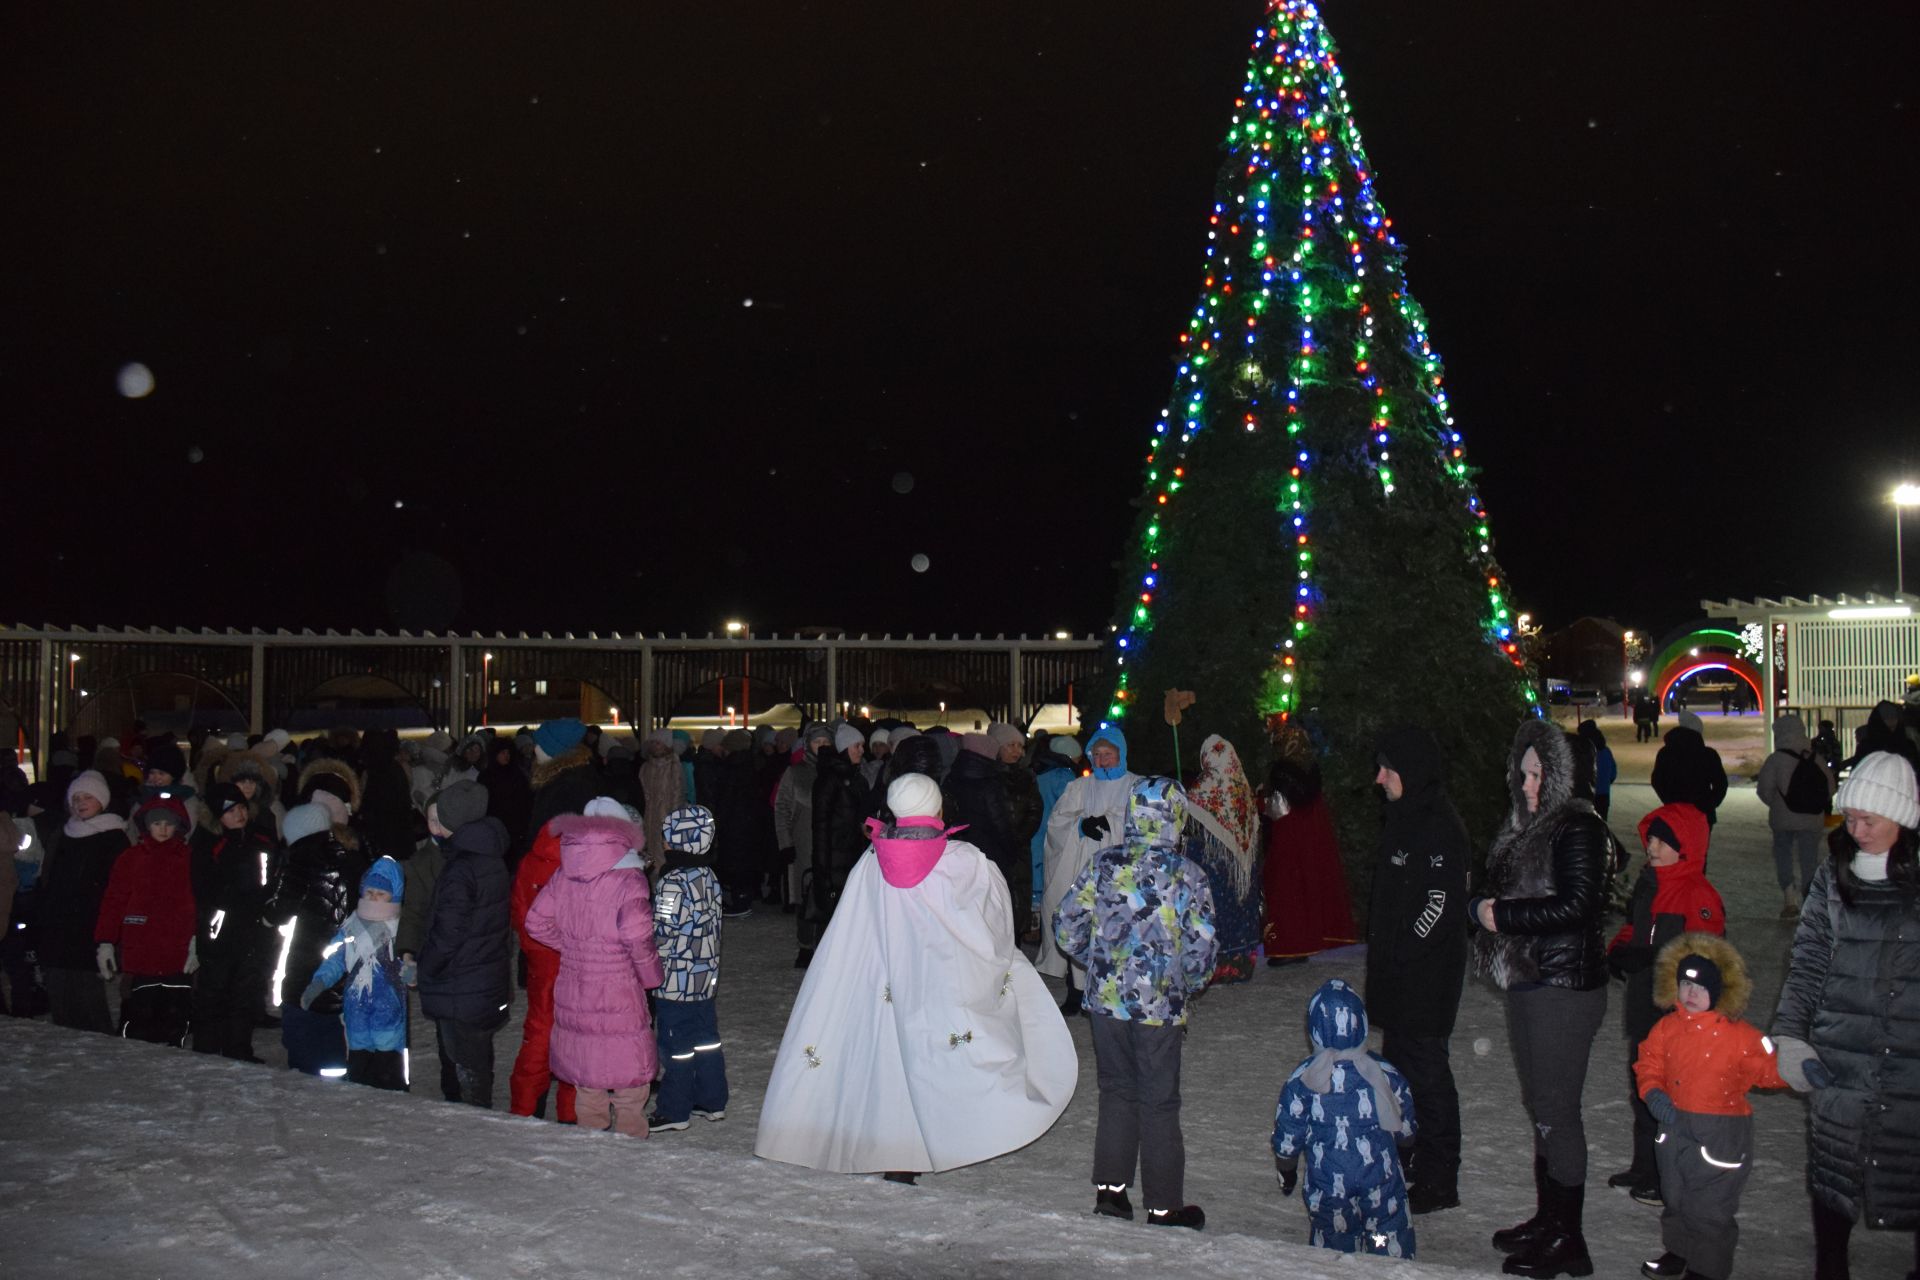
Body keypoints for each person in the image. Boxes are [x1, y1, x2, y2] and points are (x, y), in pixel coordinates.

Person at [756, 773, 1076, 1178]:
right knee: (930, 1053)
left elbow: (851, 925)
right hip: (937, 977)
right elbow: (995, 921)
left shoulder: (871, 860)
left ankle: (890, 1146)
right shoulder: (964, 861)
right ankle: (941, 1134)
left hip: (881, 979)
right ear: (937, 806)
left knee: (887, 1053)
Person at [1470, 718, 1612, 1279]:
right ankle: (1549, 1219)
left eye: (1539, 775)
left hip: (1564, 987)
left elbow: (1579, 906)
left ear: (1563, 777)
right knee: (1543, 1110)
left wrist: (1501, 916)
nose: (1527, 786)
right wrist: (1483, 905)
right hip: (1531, 981)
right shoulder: (1526, 827)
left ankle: (1568, 1239)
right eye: (1523, 774)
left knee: (1558, 1113)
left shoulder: (1578, 826)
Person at [1771, 751, 1920, 1280]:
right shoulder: (1832, 877)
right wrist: (1790, 1036)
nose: (1856, 830)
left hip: (1910, 1064)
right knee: (1834, 1178)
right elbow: (1808, 960)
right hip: (1840, 1057)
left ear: (1901, 819)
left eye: (1869, 821)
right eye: (1850, 817)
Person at [1054, 776, 1214, 1228]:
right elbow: (1201, 948)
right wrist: (1185, 982)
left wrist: (1097, 961)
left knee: (1117, 1090)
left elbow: (1066, 922)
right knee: (1159, 1100)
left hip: (1106, 1004)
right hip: (1158, 1007)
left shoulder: (1105, 864)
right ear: (1177, 817)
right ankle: (1164, 1206)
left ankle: (1111, 1192)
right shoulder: (1187, 874)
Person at [1634, 934, 1786, 1280]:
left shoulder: (1740, 1035)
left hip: (1719, 1132)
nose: (1690, 993)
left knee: (1709, 1208)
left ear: (1719, 992)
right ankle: (1679, 1251)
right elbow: (1649, 1063)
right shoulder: (1667, 1027)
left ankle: (1707, 1269)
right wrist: (1653, 1091)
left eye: (1700, 988)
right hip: (1673, 1126)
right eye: (1685, 983)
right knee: (1675, 1196)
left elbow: (1769, 1069)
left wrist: (1796, 1069)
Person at [1365, 726, 1469, 1215]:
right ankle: (1405, 1161)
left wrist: (1404, 948)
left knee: (1426, 1078)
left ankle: (1438, 1178)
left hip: (1425, 981)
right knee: (1398, 1077)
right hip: (1397, 978)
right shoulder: (1401, 818)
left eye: (1388, 769)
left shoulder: (1439, 827)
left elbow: (1440, 901)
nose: (1379, 778)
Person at [1603, 801, 1724, 1208]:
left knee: (1670, 1097)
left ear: (1684, 847)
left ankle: (1666, 1174)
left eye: (1661, 841)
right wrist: (1617, 952)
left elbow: (1705, 960)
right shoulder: (1650, 883)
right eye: (1651, 838)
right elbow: (1636, 929)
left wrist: (1654, 961)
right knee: (1644, 1086)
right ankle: (1646, 1166)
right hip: (1644, 1009)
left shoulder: (1697, 894)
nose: (1651, 847)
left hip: (1678, 1017)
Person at [525, 798, 663, 1136]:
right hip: (618, 985)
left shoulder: (565, 872)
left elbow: (536, 922)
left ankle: (591, 1145)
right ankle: (630, 1140)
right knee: (629, 1073)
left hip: (575, 983)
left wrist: (574, 948)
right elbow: (636, 936)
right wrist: (651, 977)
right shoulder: (629, 879)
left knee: (587, 1074)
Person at [1272, 978, 1418, 1259]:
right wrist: (1407, 1150)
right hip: (1380, 1174)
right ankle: (1380, 1252)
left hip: (1327, 1179)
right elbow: (1405, 1118)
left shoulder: (1302, 1079)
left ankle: (1338, 1260)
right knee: (1385, 1232)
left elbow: (1288, 1132)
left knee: (1335, 1234)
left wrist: (1286, 1168)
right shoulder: (1384, 1072)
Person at [419, 783, 513, 1109]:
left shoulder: (461, 868)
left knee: (466, 1065)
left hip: (462, 983)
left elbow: (447, 933)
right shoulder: (489, 856)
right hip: (483, 978)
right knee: (476, 1057)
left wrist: (426, 967)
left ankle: (475, 1124)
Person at [1036, 725, 1137, 1013]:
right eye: (1098, 755)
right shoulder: (1079, 787)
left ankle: (1113, 989)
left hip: (1119, 871)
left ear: (1121, 754)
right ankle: (1077, 989)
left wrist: (1113, 822)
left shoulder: (1135, 786)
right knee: (1081, 924)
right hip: (1080, 867)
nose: (1103, 761)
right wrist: (1080, 825)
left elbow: (1145, 823)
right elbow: (1057, 823)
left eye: (1109, 755)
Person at [648, 805, 728, 1132]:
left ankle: (674, 1109)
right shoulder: (708, 876)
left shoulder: (673, 881)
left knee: (675, 1045)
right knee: (706, 1039)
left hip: (675, 981)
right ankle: (711, 1100)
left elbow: (662, 928)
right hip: (704, 976)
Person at [270, 801, 366, 1076]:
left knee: (303, 1000)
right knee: (333, 1005)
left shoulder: (300, 860)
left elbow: (284, 904)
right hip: (346, 947)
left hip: (309, 947)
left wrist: (266, 916)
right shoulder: (351, 858)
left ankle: (306, 1067)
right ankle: (336, 1067)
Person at [94, 796, 198, 1046]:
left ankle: (172, 1059)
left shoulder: (189, 858)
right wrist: (105, 940)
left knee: (175, 1012)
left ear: (179, 826)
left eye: (168, 823)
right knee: (139, 1013)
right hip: (142, 949)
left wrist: (197, 938)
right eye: (156, 823)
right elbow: (114, 900)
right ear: (146, 826)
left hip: (178, 949)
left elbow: (199, 902)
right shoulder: (131, 858)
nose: (162, 829)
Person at [300, 857, 410, 1090]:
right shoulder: (352, 925)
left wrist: (412, 970)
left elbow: (409, 956)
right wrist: (319, 981)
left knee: (389, 1063)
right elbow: (337, 957)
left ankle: (393, 1097)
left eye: (381, 893)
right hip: (356, 1006)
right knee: (359, 1060)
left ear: (395, 895)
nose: (373, 898)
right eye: (369, 891)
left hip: (389, 1007)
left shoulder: (400, 926)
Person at [36, 771, 131, 1032]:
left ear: (102, 800)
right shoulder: (64, 833)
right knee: (59, 983)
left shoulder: (113, 836)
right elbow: (49, 875)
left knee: (87, 985)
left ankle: (97, 1037)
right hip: (60, 920)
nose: (81, 802)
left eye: (88, 796)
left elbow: (118, 884)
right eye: (76, 797)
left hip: (91, 920)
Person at [189, 783, 275, 1061]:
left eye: (241, 808)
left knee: (245, 991)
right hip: (220, 930)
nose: (238, 814)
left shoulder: (260, 840)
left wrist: (267, 909)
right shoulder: (209, 844)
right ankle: (207, 1047)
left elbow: (271, 878)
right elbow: (202, 887)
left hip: (253, 928)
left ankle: (239, 1049)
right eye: (230, 811)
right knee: (214, 991)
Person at [1260, 724, 1357, 965]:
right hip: (1308, 844)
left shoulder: (1281, 773)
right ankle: (1304, 943)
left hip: (1286, 843)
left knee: (1285, 893)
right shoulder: (1311, 770)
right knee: (1303, 893)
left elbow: (1278, 810)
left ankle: (1287, 947)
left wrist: (1260, 801)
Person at [1183, 734, 1263, 985]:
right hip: (1241, 865)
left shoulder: (1203, 786)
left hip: (1211, 863)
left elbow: (1188, 818)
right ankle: (1240, 962)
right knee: (1240, 906)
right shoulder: (1242, 785)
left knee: (1215, 908)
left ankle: (1216, 965)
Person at [799, 724, 869, 968]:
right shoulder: (829, 779)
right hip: (835, 861)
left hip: (852, 857)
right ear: (843, 748)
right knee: (832, 919)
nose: (861, 750)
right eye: (856, 746)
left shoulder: (855, 777)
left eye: (862, 745)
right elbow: (821, 828)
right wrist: (823, 874)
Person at [942, 733, 1025, 936]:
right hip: (991, 854)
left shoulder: (951, 777)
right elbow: (1000, 822)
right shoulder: (989, 781)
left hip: (960, 852)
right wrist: (1012, 851)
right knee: (996, 911)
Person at [1755, 713, 1835, 918]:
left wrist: (1777, 804)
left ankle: (1789, 898)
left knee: (1783, 855)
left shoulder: (1775, 760)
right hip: (1811, 819)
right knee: (1809, 858)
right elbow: (1830, 786)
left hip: (1783, 819)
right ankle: (1810, 898)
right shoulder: (1815, 757)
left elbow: (1764, 789)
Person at [1652, 710, 1729, 828]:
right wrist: (1709, 804)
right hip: (1703, 814)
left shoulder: (1665, 753)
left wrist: (1669, 801)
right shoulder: (1708, 754)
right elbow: (1721, 783)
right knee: (1698, 845)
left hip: (1675, 812)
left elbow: (1657, 780)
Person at [638, 728, 685, 872]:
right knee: (650, 853)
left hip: (666, 817)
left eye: (659, 742)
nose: (655, 745)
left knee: (664, 853)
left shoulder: (674, 766)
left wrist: (673, 818)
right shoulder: (646, 767)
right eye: (653, 742)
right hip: (649, 818)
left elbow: (678, 793)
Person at [1574, 720, 1616, 821]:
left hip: (1586, 794)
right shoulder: (1606, 751)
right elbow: (1613, 772)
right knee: (1601, 822)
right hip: (1603, 794)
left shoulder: (1582, 753)